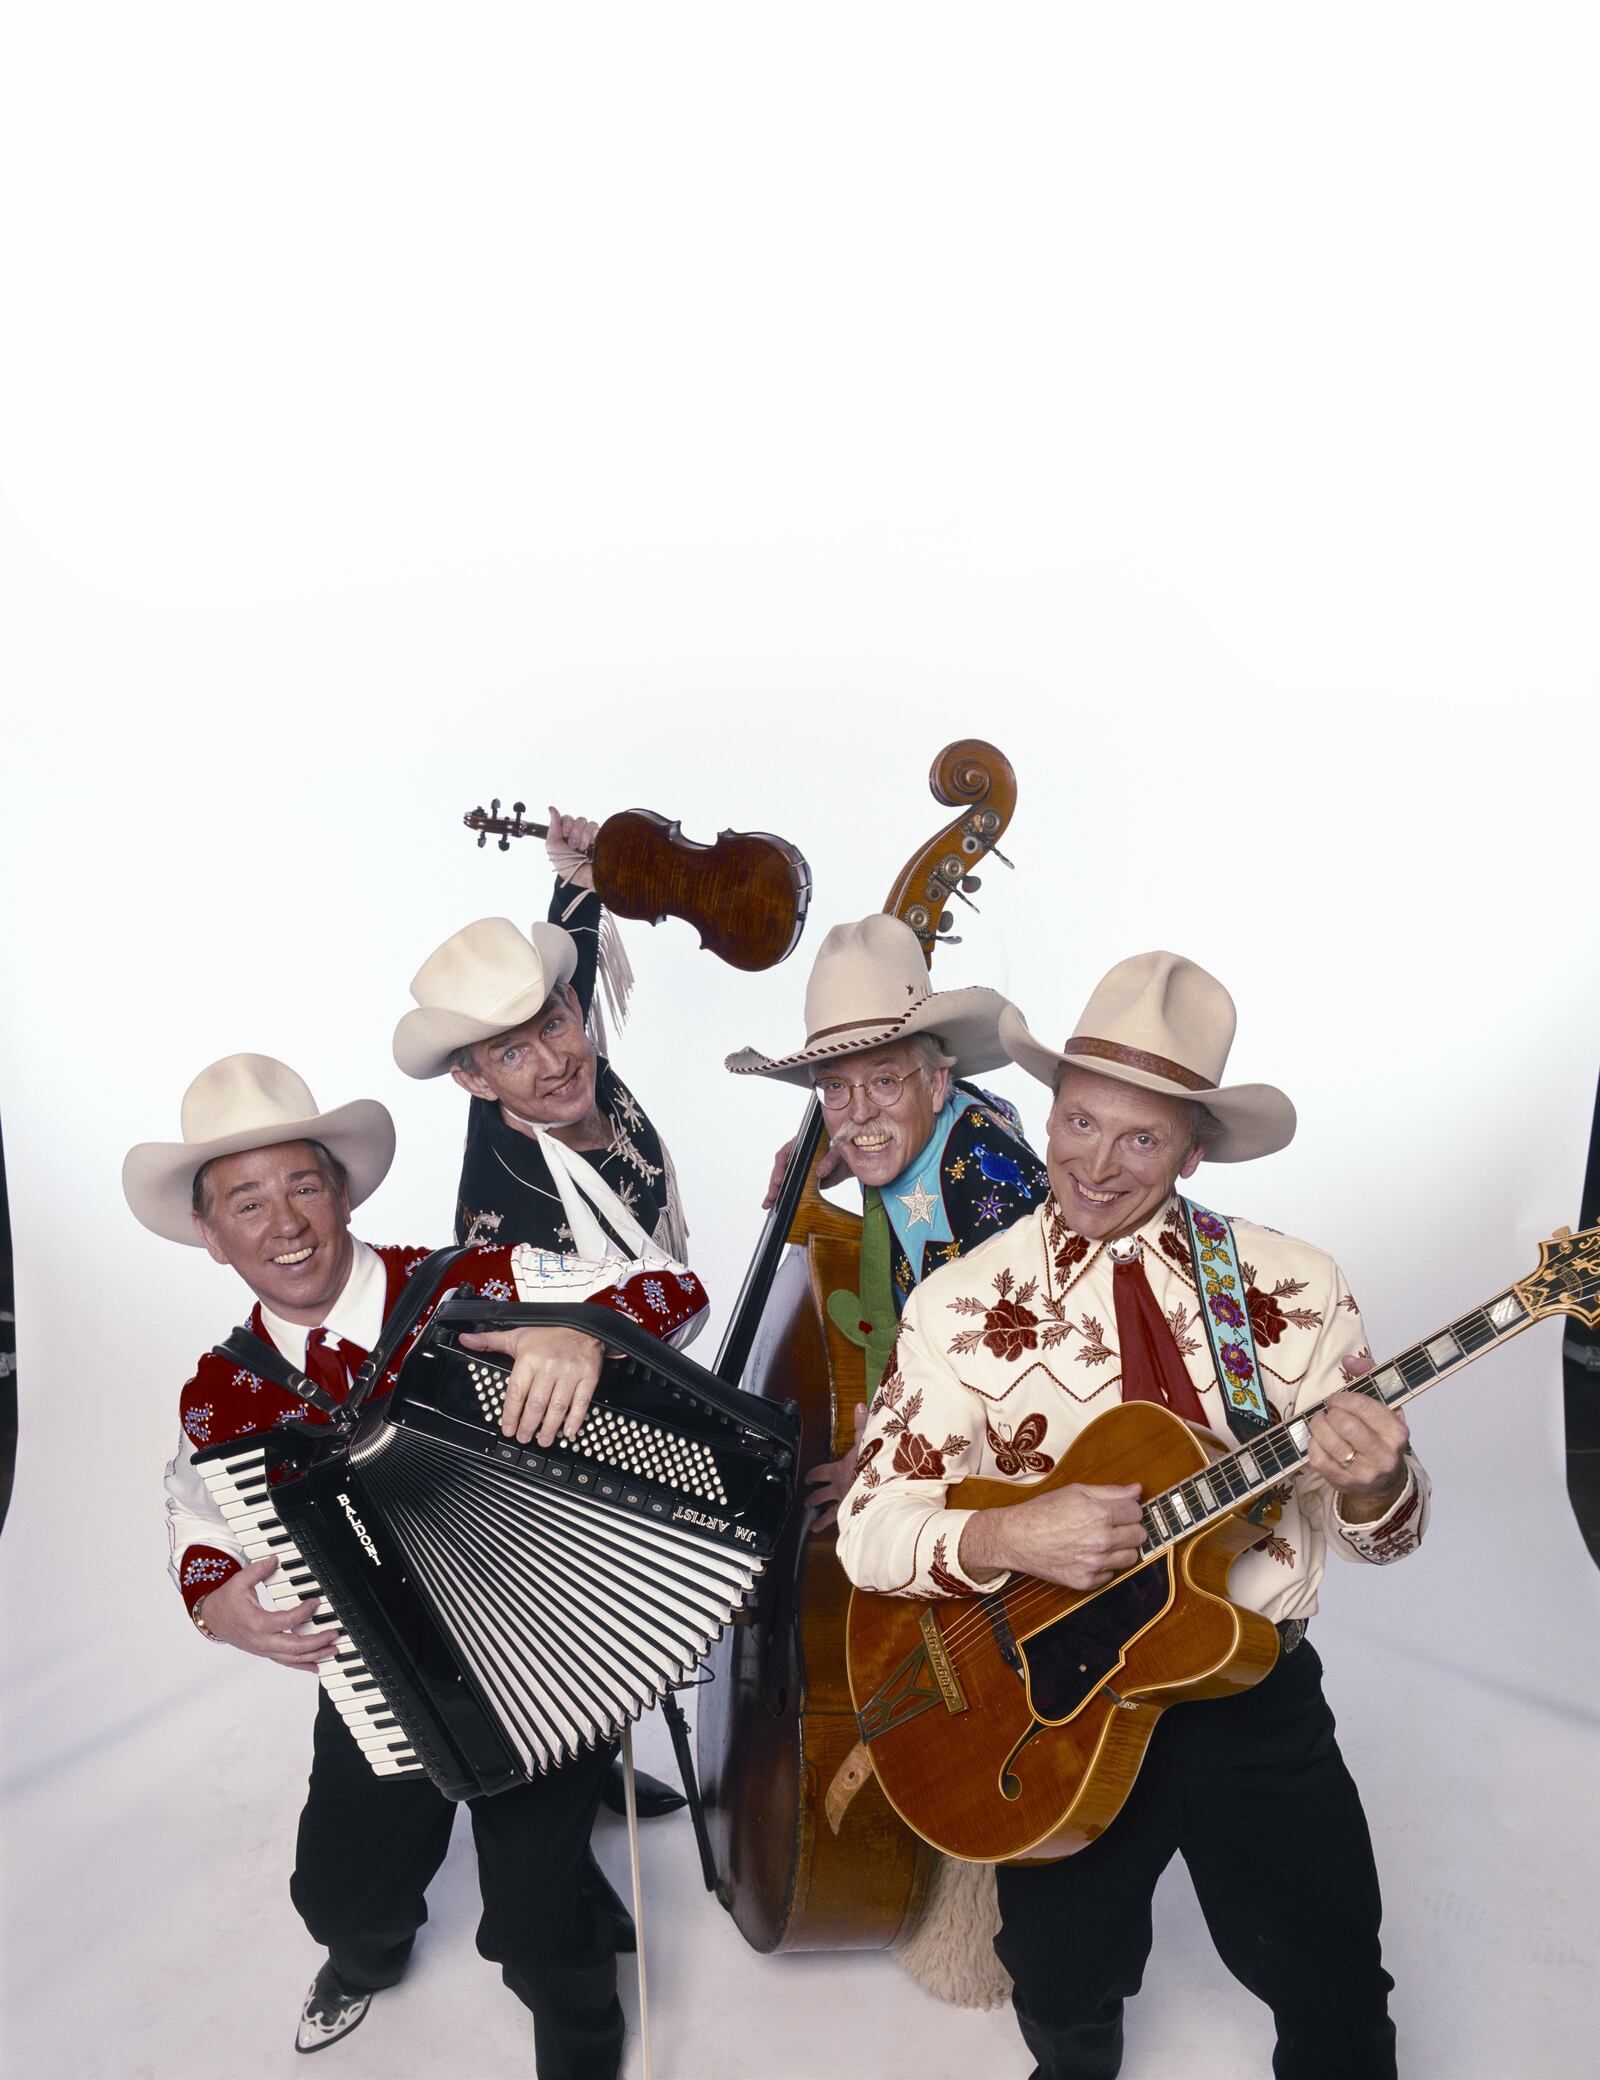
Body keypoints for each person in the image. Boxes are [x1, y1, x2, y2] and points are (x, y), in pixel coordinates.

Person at [836, 952, 1428, 2080]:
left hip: (1244, 1688)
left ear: (1192, 1149)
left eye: (1139, 1139)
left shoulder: (1293, 1286)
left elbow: (1384, 1537)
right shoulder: (959, 1306)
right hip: (1047, 1697)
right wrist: (1006, 1534)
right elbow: (868, 1524)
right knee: (1057, 1977)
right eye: (1078, 1121)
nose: (1093, 1164)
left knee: (1332, 1975)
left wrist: (1371, 1485)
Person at [126, 1053, 706, 2071]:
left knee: (535, 1918)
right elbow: (194, 1511)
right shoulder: (221, 1394)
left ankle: (579, 2031)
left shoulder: (469, 1284)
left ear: (340, 1191)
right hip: (377, 1664)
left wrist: (582, 1332)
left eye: (304, 1185)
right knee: (337, 1893)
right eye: (247, 1202)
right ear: (213, 1239)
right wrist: (212, 1598)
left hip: (545, 1639)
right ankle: (367, 1955)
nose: (286, 1223)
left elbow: (673, 1288)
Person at [726, 911, 1049, 2005]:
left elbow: (1014, 1366)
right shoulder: (904, 1138)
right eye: (833, 1089)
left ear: (936, 1069)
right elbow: (910, 1313)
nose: (857, 1113)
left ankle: (985, 1928)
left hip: (1025, 1449)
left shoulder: (989, 1172)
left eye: (881, 1083)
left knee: (965, 1652)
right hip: (951, 1410)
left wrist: (883, 1456)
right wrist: (838, 1146)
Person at [394, 810, 688, 1826]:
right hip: (549, 1398)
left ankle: (590, 1760)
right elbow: (555, 1328)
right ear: (470, 1081)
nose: (552, 1065)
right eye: (508, 1058)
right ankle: (566, 1784)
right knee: (589, 1607)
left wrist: (577, 870)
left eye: (556, 1026)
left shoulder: (561, 1048)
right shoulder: (514, 1203)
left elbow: (561, 939)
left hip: (621, 1313)